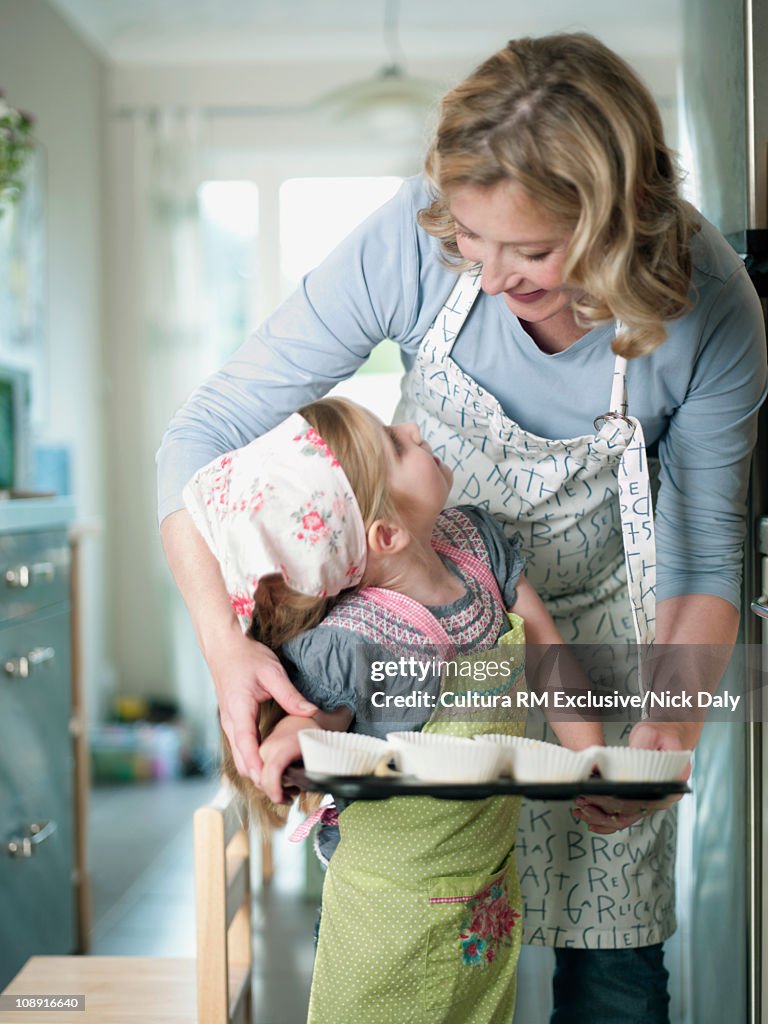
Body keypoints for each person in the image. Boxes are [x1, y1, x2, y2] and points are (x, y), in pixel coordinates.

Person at [158, 32, 767, 1024]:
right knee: (424, 966)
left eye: (528, 253)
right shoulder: (414, 236)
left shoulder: (714, 312)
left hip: (604, 660)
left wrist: (664, 729)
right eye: (469, 246)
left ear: (618, 220)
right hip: (436, 676)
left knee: (612, 983)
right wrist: (227, 649)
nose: (486, 280)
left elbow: (704, 547)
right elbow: (200, 437)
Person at [182, 396, 603, 1024]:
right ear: (385, 534)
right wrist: (291, 742)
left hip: (481, 901)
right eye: (395, 443)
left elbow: (548, 656)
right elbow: (317, 717)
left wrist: (592, 756)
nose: (411, 427)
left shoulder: (479, 548)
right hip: (388, 927)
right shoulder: (354, 639)